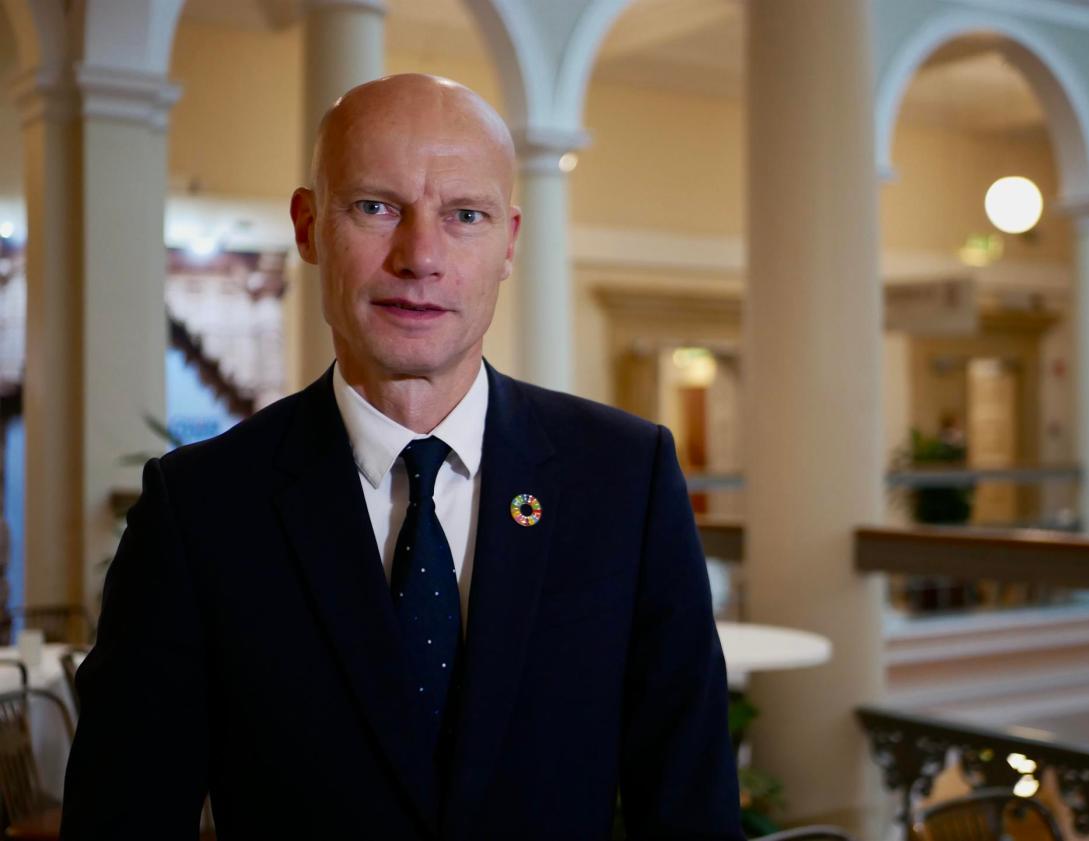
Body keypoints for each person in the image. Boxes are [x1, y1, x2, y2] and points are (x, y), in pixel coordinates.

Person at [61, 74, 742, 840]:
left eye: (465, 215)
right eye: (375, 207)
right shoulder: (200, 507)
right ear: (308, 226)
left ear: (509, 242)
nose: (420, 257)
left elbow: (690, 810)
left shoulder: (624, 479)